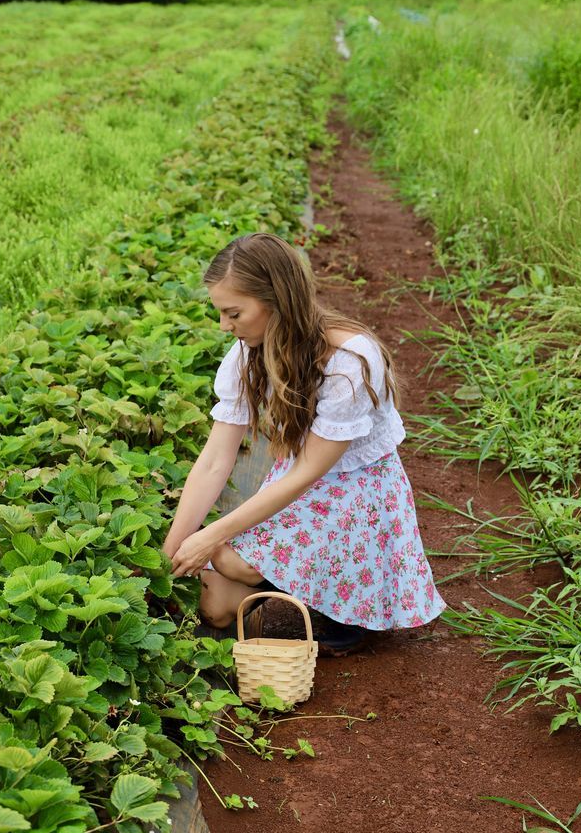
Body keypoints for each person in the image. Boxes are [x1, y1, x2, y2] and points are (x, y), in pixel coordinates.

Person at [162, 232, 445, 656]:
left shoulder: (349, 362)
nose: (224, 326)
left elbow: (307, 473)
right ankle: (296, 590)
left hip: (355, 497)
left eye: (233, 313)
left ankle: (337, 612)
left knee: (228, 559)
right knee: (216, 607)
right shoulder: (247, 352)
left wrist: (211, 537)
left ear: (275, 299)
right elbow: (214, 461)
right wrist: (169, 555)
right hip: (297, 487)